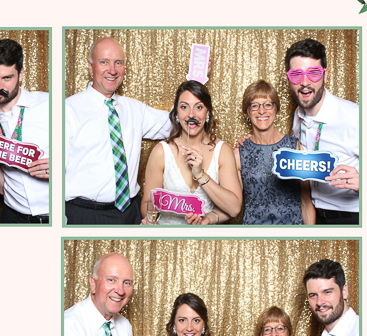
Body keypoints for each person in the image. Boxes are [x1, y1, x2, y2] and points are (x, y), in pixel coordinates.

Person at [65, 37, 175, 225]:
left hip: (131, 212)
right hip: (85, 214)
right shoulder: (68, 110)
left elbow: (173, 123)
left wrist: (195, 80)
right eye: (104, 62)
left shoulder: (134, 108)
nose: (112, 70)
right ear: (91, 67)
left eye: (118, 63)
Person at [141, 81, 241, 225]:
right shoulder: (161, 152)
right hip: (168, 240)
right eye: (184, 107)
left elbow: (234, 208)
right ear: (176, 112)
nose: (191, 114)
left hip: (206, 242)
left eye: (199, 107)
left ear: (207, 112)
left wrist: (200, 175)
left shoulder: (222, 151)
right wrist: (151, 221)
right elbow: (147, 202)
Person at [286, 39, 359, 224]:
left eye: (313, 73)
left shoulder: (353, 117)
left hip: (351, 218)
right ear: (288, 79)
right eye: (296, 75)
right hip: (315, 216)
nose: (304, 82)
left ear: (325, 76)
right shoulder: (298, 115)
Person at [0, 39, 49, 224]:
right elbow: (0, 188)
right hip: (13, 217)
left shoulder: (49, 105)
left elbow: (84, 152)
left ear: (21, 74)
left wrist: (64, 166)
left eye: (7, 78)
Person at [235, 80, 315, 225]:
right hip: (254, 237)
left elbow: (306, 202)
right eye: (254, 106)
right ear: (247, 112)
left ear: (276, 109)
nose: (261, 111)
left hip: (292, 236)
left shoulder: (295, 147)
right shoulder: (239, 153)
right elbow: (233, 204)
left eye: (267, 104)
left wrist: (310, 240)